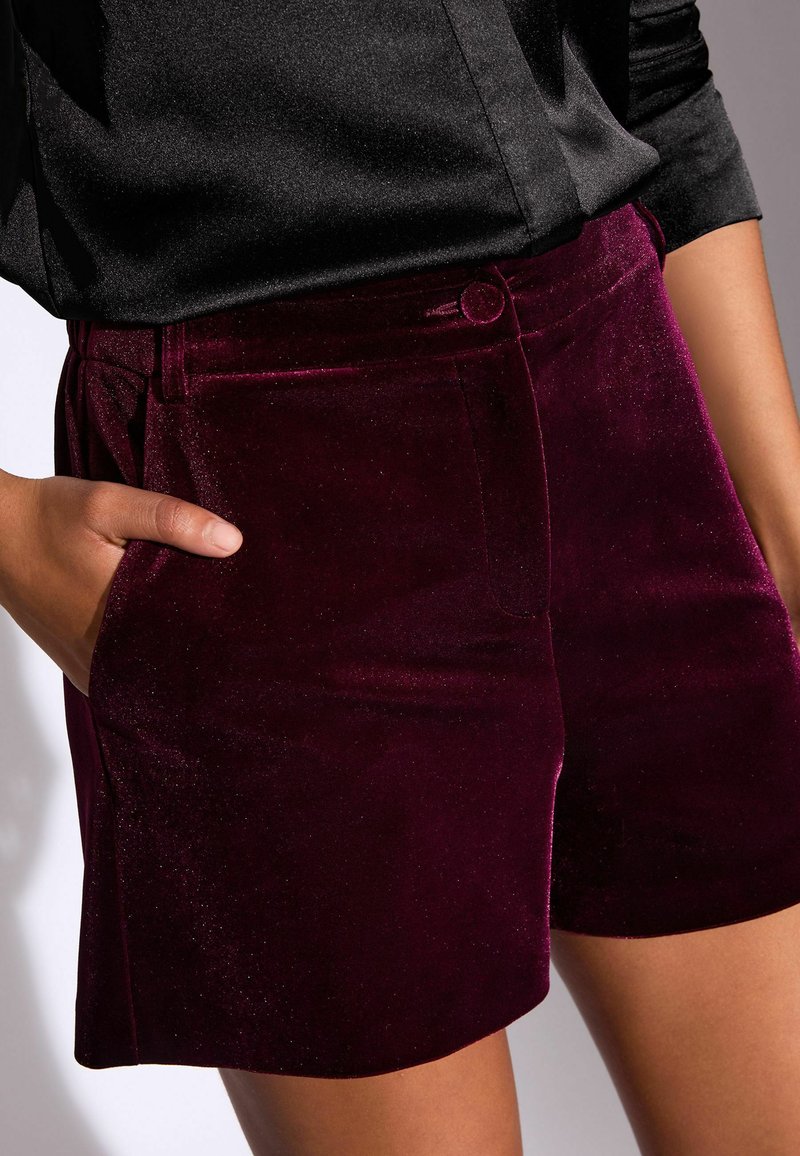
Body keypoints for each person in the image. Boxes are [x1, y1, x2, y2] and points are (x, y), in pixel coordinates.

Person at [2, 2, 800, 1153]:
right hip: (268, 481)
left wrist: (781, 522)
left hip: (624, 393)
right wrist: (9, 535)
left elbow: (644, 48)